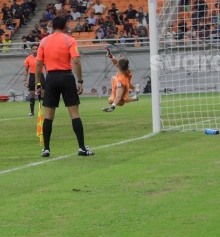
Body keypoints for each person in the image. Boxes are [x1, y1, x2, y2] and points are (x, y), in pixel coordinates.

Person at [35, 16, 93, 157]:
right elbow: (76, 61)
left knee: (48, 116)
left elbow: (38, 64)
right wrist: (80, 81)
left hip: (51, 78)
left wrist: (38, 83)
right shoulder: (70, 40)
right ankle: (81, 148)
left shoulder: (44, 41)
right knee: (74, 114)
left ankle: (46, 148)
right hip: (66, 77)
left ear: (52, 26)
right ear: (66, 26)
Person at [102, 47, 139, 112]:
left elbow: (118, 96)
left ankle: (132, 94)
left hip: (121, 100)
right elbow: (116, 63)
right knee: (114, 78)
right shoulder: (127, 71)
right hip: (126, 84)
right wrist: (111, 56)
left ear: (119, 66)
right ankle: (135, 94)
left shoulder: (120, 81)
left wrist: (112, 106)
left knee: (110, 100)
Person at [23, 44, 45, 116]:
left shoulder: (42, 58)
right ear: (31, 50)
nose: (35, 50)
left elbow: (46, 67)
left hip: (40, 75)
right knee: (32, 94)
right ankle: (32, 112)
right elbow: (26, 70)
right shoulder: (28, 58)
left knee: (43, 93)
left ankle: (46, 111)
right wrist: (25, 80)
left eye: (36, 49)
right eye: (34, 49)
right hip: (32, 76)